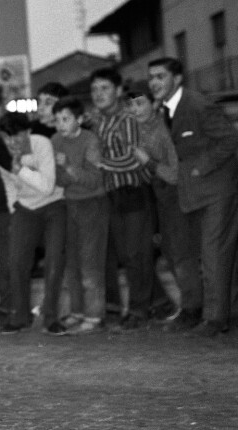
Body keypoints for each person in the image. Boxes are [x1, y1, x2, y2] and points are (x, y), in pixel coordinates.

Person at [148, 57, 238, 337]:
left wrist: (201, 166)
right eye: (151, 77)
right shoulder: (164, 109)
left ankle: (215, 319)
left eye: (160, 76)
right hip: (194, 194)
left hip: (216, 191)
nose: (154, 82)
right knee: (218, 255)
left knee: (213, 255)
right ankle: (228, 312)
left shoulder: (198, 105)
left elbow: (230, 139)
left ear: (177, 79)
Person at [126, 84, 196, 324]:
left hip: (176, 194)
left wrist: (148, 163)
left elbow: (174, 174)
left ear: (154, 104)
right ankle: (190, 307)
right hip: (159, 196)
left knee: (180, 253)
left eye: (140, 103)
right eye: (131, 104)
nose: (135, 109)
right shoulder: (139, 129)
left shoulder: (163, 129)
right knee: (170, 251)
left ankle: (194, 308)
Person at [91, 67, 153, 330]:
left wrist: (101, 163)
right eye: (95, 89)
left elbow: (134, 159)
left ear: (118, 91)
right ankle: (154, 304)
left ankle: (139, 310)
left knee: (136, 254)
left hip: (134, 193)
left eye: (104, 88)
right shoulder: (99, 121)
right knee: (127, 256)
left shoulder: (127, 119)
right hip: (113, 195)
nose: (98, 94)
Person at [0, 112, 66, 334]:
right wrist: (14, 210)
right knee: (16, 261)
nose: (12, 142)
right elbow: (9, 186)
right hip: (25, 208)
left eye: (16, 136)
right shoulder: (2, 152)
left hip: (53, 205)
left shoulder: (42, 144)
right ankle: (20, 316)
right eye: (6, 137)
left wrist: (21, 170)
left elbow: (47, 186)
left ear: (28, 132)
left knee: (54, 261)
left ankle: (51, 318)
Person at [51, 97, 107, 333]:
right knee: (72, 262)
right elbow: (58, 179)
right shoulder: (56, 140)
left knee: (90, 261)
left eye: (65, 119)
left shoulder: (90, 140)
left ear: (80, 119)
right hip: (69, 204)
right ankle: (77, 310)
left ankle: (94, 315)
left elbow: (95, 179)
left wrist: (69, 168)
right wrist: (66, 173)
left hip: (92, 204)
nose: (60, 125)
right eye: (57, 120)